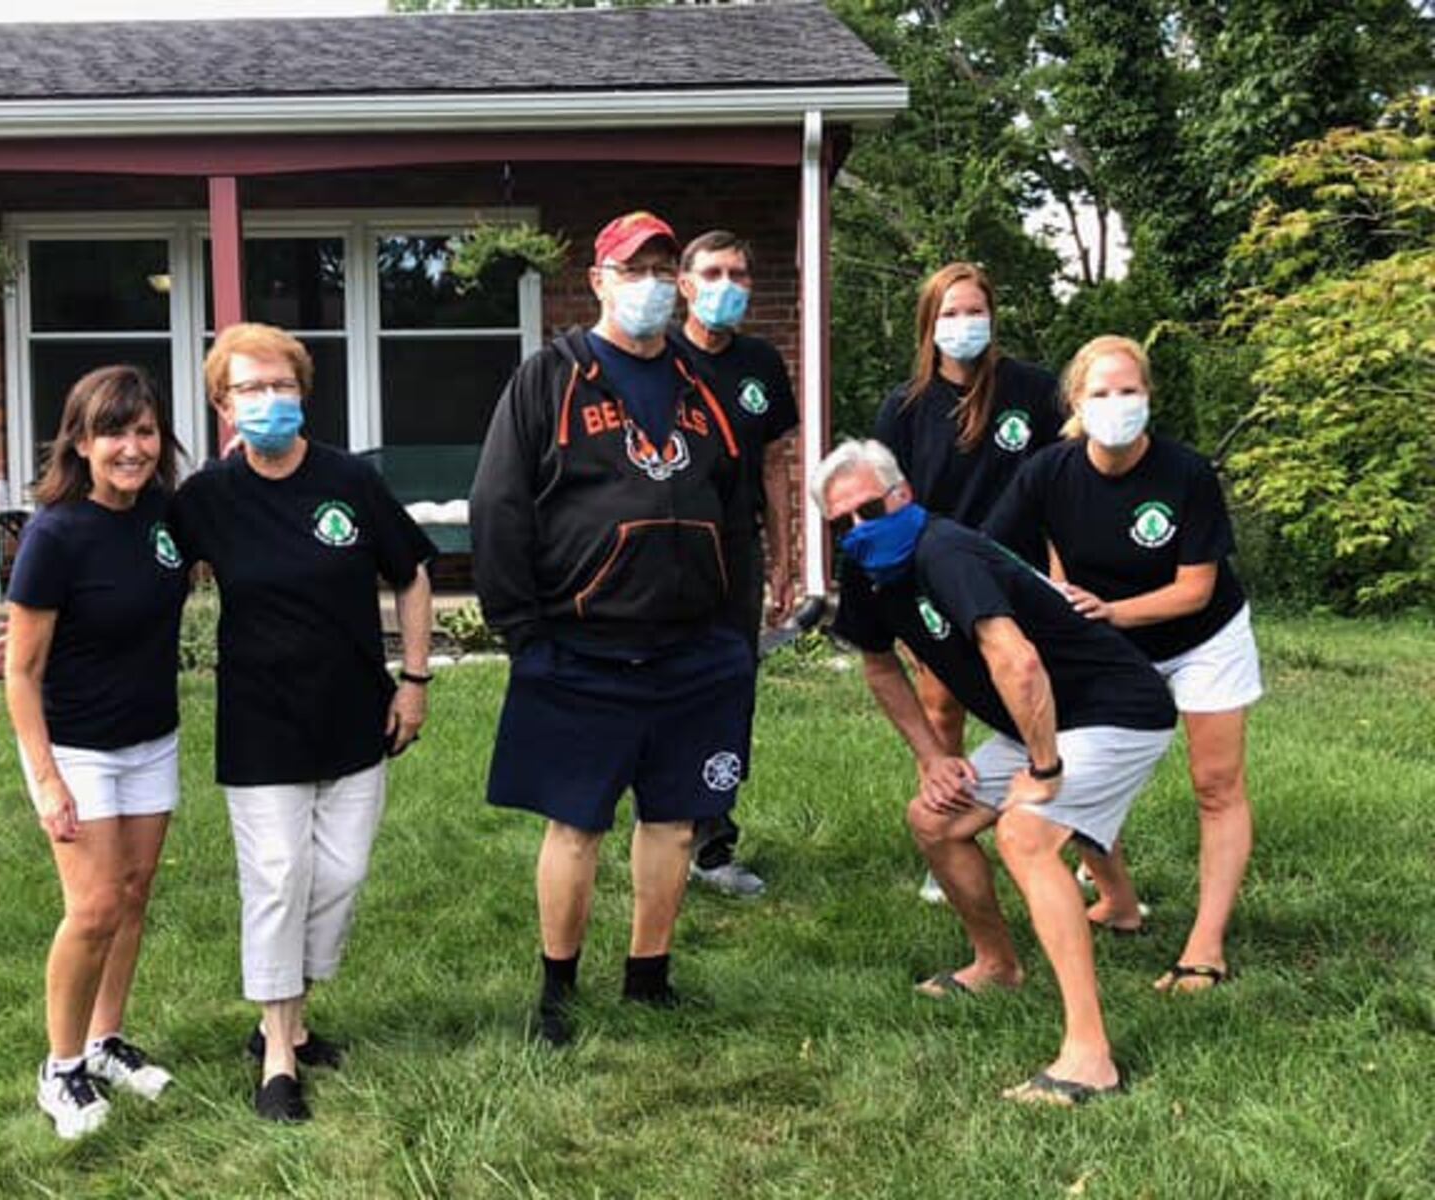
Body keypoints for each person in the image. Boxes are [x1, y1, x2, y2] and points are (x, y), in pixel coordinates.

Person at [817, 438, 1177, 1104]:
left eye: (870, 508)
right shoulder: (867, 568)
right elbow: (877, 664)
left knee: (1025, 832)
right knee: (932, 818)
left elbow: (1020, 663)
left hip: (1115, 708)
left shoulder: (944, 551)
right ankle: (997, 964)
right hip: (1036, 718)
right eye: (842, 522)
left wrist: (1044, 770)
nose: (860, 528)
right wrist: (934, 758)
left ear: (903, 495)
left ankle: (1090, 1058)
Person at [471, 210, 756, 1047]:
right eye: (634, 270)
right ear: (598, 280)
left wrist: (738, 630)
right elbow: (498, 506)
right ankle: (556, 989)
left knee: (674, 819)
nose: (653, 286)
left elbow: (737, 516)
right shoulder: (548, 378)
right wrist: (523, 630)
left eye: (665, 270)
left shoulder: (700, 386)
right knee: (577, 822)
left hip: (695, 647)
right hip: (580, 642)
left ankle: (648, 977)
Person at [171, 322, 435, 1121]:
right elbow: (143, 567)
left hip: (357, 712)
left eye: (281, 385)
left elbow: (413, 577)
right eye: (250, 389)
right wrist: (55, 613)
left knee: (342, 877)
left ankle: (288, 1008)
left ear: (303, 393)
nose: (269, 400)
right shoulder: (207, 499)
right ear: (224, 405)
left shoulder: (349, 481)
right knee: (280, 878)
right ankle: (280, 1053)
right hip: (260, 721)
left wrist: (414, 680)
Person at [985, 335, 1262, 991]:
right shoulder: (1048, 472)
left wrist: (1108, 613)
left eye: (1130, 390)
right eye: (1102, 392)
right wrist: (1051, 601)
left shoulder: (1186, 473)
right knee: (1080, 762)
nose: (1118, 404)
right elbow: (995, 553)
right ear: (1077, 401)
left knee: (1216, 784)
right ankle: (1118, 902)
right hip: (1103, 637)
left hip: (1202, 637)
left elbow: (1194, 588)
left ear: (1149, 396)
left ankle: (1205, 945)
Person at [4, 365, 189, 1139]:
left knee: (136, 892)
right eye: (113, 431)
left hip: (152, 738)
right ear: (80, 442)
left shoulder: (167, 517)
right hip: (76, 747)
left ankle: (104, 1042)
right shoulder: (56, 530)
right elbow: (21, 669)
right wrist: (46, 780)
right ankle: (62, 1068)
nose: (131, 447)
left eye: (144, 430)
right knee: (93, 907)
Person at [873, 264, 1063, 903]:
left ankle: (1081, 842)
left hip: (1024, 578)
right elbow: (887, 511)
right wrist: (899, 607)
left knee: (1050, 708)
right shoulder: (903, 409)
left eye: (974, 311)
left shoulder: (1034, 391)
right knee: (942, 709)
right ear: (929, 325)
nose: (964, 325)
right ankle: (950, 840)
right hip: (939, 584)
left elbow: (1063, 491)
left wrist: (1065, 582)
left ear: (993, 316)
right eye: (950, 314)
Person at [672, 228, 800, 898]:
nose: (729, 286)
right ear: (685, 285)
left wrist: (784, 560)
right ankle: (665, 825)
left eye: (741, 274)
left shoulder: (760, 363)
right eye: (714, 272)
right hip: (665, 553)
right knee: (669, 686)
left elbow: (776, 464)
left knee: (728, 688)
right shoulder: (657, 358)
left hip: (738, 549)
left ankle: (712, 844)